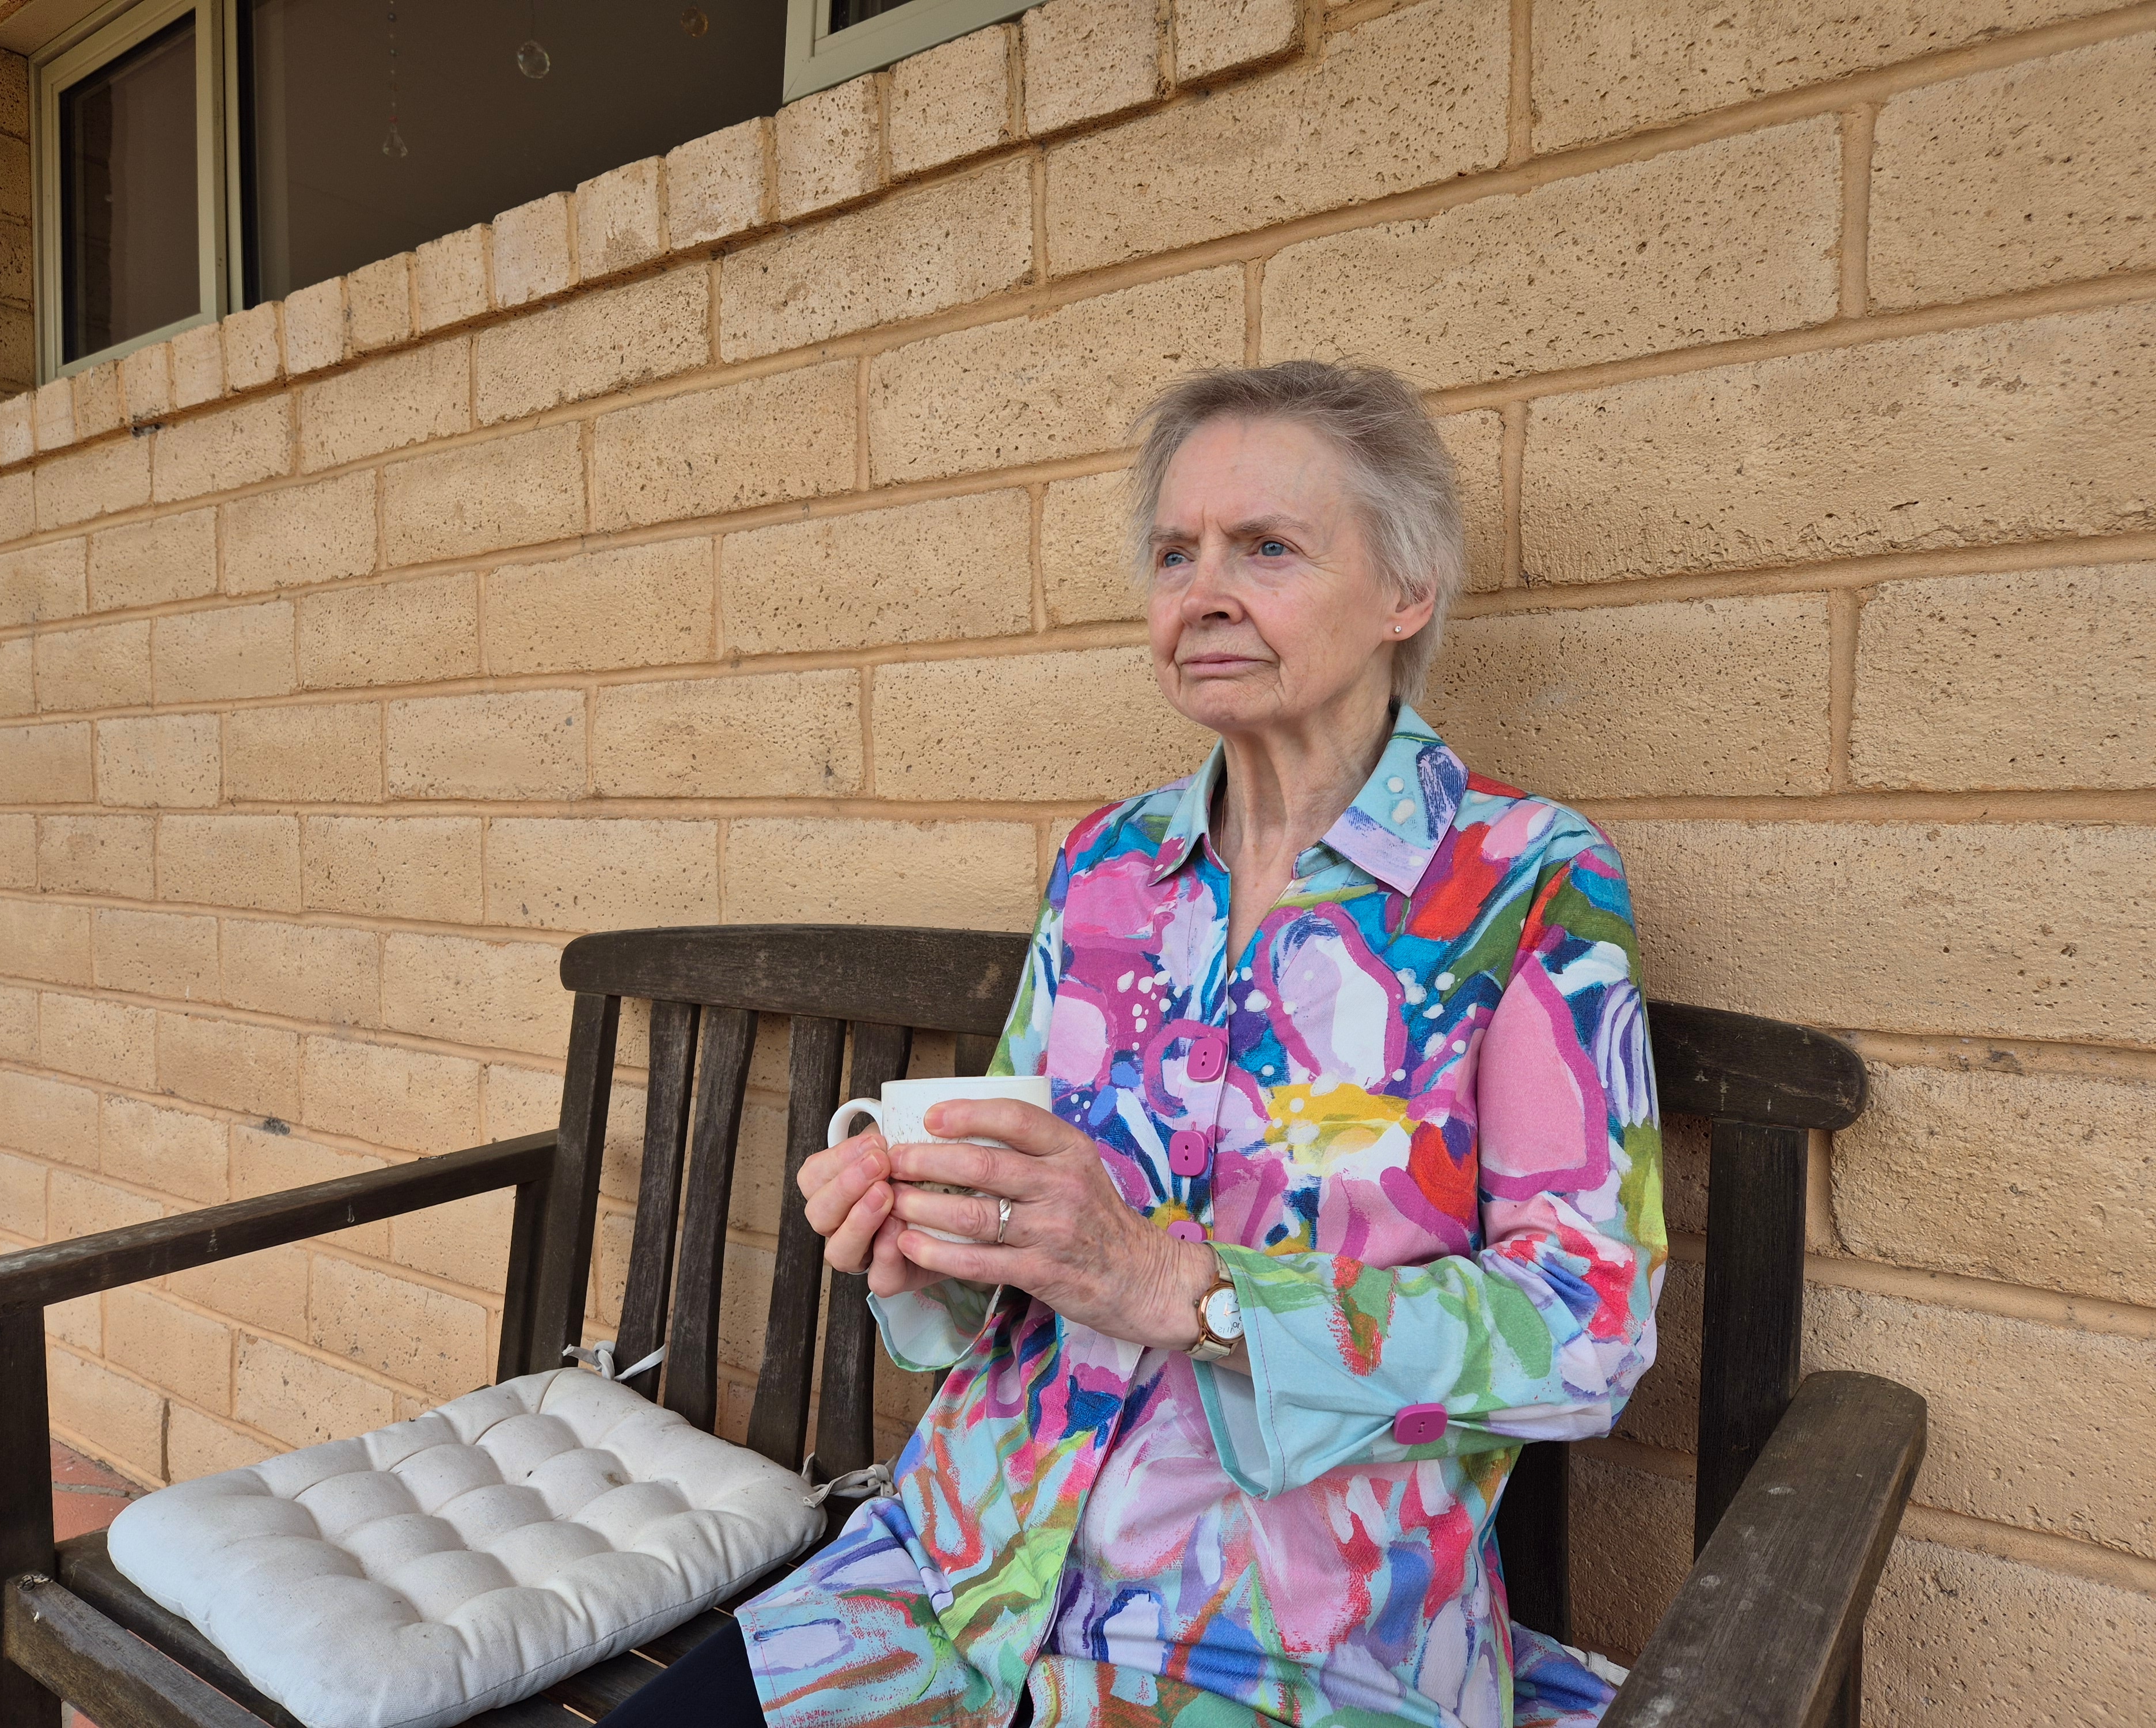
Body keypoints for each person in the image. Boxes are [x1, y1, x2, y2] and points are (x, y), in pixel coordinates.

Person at [601, 360, 1665, 1728]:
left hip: (1279, 1651)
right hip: (949, 1580)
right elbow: (1007, 1246)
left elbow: (1591, 1330)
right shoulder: (1106, 866)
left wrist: (1190, 1290)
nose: (1202, 591)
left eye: (1265, 548)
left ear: (1407, 592)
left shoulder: (1522, 884)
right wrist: (912, 1241)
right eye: (1175, 553)